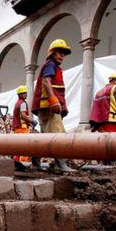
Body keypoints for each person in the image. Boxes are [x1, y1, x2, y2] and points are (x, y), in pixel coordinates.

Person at [32, 39, 72, 172]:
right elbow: (46, 82)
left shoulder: (53, 66)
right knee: (57, 134)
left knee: (45, 136)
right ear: (52, 53)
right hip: (48, 107)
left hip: (46, 107)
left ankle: (36, 163)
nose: (61, 56)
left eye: (63, 53)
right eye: (59, 52)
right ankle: (61, 164)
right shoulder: (51, 64)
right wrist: (53, 100)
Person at [12, 85, 40, 167]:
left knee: (18, 147)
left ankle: (16, 163)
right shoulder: (22, 103)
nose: (26, 95)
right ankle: (23, 163)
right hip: (22, 128)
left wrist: (29, 123)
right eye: (24, 93)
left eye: (26, 93)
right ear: (20, 94)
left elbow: (21, 117)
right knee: (24, 146)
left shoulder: (17, 103)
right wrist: (32, 121)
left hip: (17, 128)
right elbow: (23, 115)